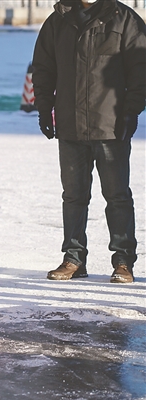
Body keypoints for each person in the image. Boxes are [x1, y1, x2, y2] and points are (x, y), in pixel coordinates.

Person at [32, 0, 145, 284]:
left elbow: (141, 69)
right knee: (73, 196)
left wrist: (131, 110)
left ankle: (122, 262)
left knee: (117, 195)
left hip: (111, 125)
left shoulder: (124, 19)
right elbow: (44, 68)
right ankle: (73, 258)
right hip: (70, 126)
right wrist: (45, 108)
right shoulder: (58, 19)